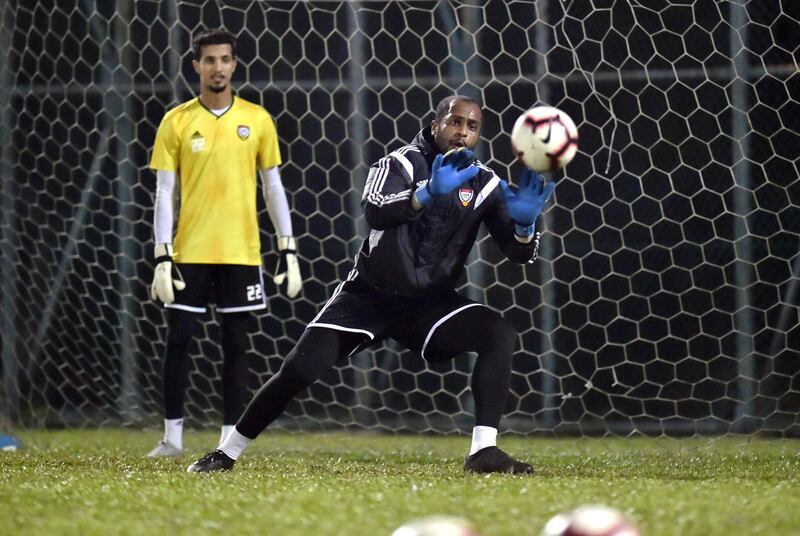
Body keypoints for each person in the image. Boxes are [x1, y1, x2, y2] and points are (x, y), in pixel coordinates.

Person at [187, 95, 555, 474]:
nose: (462, 132)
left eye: (472, 126)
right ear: (435, 125)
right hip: (369, 296)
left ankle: (483, 452)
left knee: (499, 332)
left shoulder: (484, 183)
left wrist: (525, 227)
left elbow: (518, 254)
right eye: (454, 122)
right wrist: (426, 193)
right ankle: (225, 453)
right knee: (299, 370)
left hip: (429, 305)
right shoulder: (399, 163)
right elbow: (377, 211)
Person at [146, 28, 302, 457]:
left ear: (235, 64)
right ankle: (172, 439)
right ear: (196, 65)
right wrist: (162, 255)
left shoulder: (257, 120)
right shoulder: (176, 121)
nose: (218, 67)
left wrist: (287, 247)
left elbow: (273, 187)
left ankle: (226, 442)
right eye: (209, 60)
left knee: (236, 347)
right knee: (179, 341)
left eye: (225, 59)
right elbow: (163, 192)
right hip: (190, 252)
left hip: (241, 253)